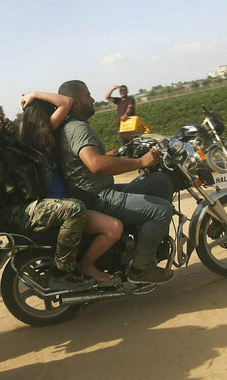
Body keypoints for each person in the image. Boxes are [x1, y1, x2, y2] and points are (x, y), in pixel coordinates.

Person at [0, 47, 92, 290]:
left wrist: (13, 134)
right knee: (74, 210)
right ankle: (63, 272)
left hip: (27, 201)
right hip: (14, 211)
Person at [58, 80, 175, 284]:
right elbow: (95, 164)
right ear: (75, 103)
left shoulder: (70, 126)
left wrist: (119, 153)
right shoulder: (78, 128)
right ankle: (142, 268)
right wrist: (140, 161)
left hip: (92, 190)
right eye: (88, 95)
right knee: (161, 210)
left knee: (152, 185)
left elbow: (88, 158)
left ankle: (134, 248)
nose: (93, 99)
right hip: (96, 196)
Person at [19, 91, 123, 284]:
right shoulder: (41, 137)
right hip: (63, 209)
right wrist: (35, 94)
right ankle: (86, 266)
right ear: (43, 117)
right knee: (113, 228)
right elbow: (67, 102)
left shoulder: (31, 140)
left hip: (59, 205)